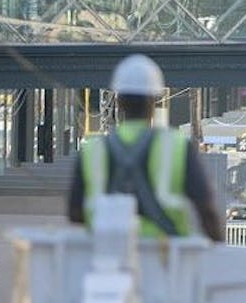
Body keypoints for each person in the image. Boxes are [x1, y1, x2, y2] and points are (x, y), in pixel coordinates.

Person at [67, 54, 224, 241]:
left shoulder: (92, 150)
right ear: (153, 101)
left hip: (107, 260)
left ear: (119, 101)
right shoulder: (177, 146)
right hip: (166, 261)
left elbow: (74, 212)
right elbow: (205, 209)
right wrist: (218, 251)